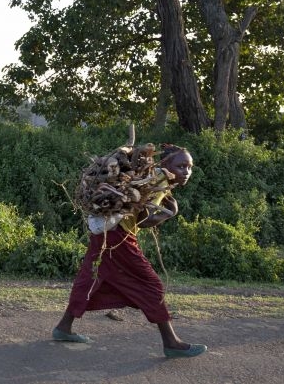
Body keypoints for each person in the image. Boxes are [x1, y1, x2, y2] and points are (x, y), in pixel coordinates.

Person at [53, 144, 207, 358]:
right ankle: (171, 342)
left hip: (105, 233)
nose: (186, 172)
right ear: (164, 163)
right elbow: (144, 220)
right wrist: (170, 213)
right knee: (151, 285)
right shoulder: (160, 178)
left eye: (189, 167)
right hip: (120, 238)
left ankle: (63, 327)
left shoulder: (155, 176)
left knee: (89, 279)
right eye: (181, 166)